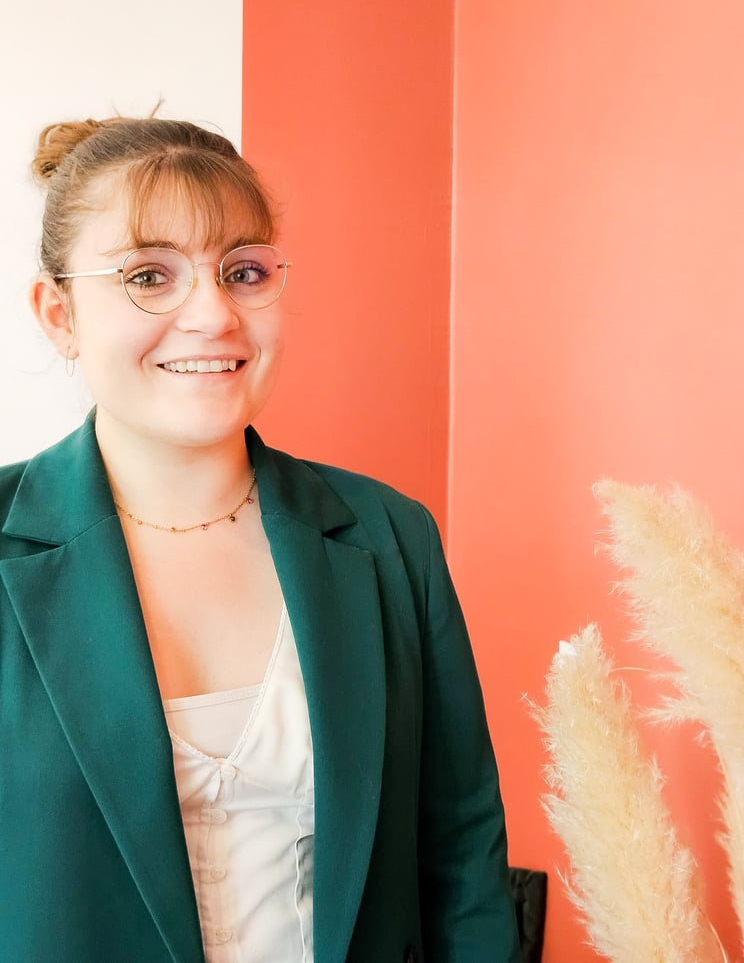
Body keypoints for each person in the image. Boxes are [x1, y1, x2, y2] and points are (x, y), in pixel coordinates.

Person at [0, 116, 520, 963]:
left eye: (243, 272)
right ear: (58, 314)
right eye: (148, 277)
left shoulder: (390, 539)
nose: (212, 315)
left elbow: (461, 865)